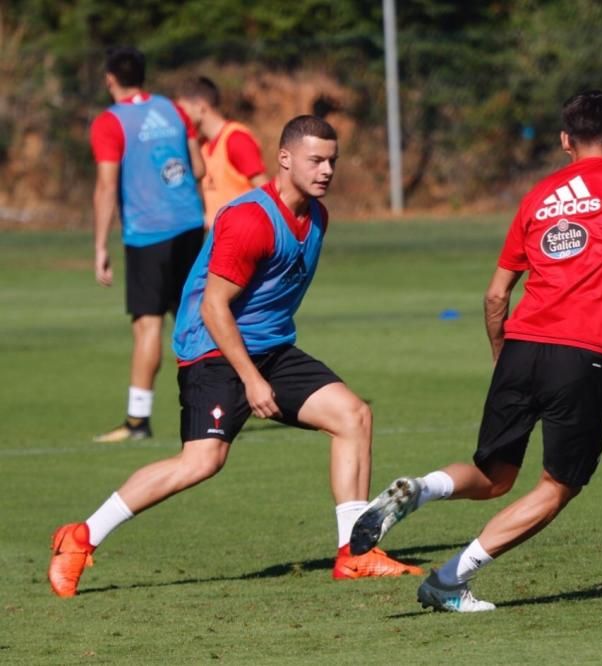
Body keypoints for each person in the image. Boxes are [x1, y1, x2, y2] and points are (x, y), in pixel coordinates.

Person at [347, 91, 602, 613]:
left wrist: (503, 358)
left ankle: (421, 487)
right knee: (557, 486)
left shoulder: (538, 196)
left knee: (493, 476)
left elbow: (495, 295)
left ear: (564, 141)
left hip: (522, 347)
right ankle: (448, 580)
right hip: (582, 356)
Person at [48, 115, 421, 598]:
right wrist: (251, 379)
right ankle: (80, 537)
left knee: (353, 415)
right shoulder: (250, 220)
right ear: (284, 159)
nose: (327, 170)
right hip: (214, 350)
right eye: (315, 160)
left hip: (270, 348)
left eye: (332, 160)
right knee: (201, 462)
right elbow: (213, 305)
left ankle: (353, 554)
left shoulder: (317, 216)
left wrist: (265, 367)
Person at [91, 47, 207, 443]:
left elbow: (106, 186)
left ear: (110, 79)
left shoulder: (110, 122)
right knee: (198, 319)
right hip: (191, 225)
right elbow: (199, 168)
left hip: (148, 235)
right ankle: (226, 401)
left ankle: (138, 421)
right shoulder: (173, 110)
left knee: (147, 326)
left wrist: (100, 247)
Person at [176, 76, 269, 228]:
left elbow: (268, 194)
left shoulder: (236, 139)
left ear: (200, 106)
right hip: (221, 240)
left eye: (182, 110)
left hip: (244, 236)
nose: (179, 117)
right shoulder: (202, 146)